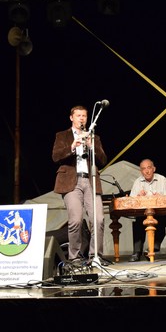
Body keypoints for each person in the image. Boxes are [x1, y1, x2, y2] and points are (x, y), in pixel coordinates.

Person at [52, 105, 110, 265]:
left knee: (98, 220)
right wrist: (72, 146)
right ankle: (75, 257)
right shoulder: (62, 135)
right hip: (71, 181)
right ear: (71, 117)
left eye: (84, 116)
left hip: (91, 181)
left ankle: (95, 256)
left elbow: (103, 160)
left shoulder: (94, 137)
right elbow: (56, 156)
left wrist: (91, 146)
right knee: (76, 221)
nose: (82, 118)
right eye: (78, 115)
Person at [128, 158, 166, 262]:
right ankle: (137, 253)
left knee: (160, 221)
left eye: (149, 168)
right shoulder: (137, 182)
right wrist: (138, 197)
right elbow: (130, 201)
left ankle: (152, 249)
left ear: (154, 169)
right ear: (141, 171)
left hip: (160, 213)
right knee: (138, 222)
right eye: (143, 169)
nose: (147, 171)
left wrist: (161, 197)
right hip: (142, 213)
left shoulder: (162, 179)